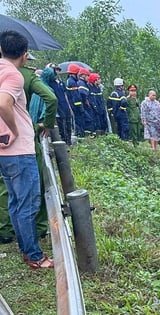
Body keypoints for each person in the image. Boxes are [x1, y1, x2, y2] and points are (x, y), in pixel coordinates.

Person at [0, 30, 53, 269]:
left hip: (6, 152)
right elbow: (3, 104)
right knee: (28, 204)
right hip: (19, 150)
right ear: (24, 54)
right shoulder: (14, 75)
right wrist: (14, 130)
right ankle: (34, 255)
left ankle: (25, 248)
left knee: (15, 202)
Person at [45, 63, 72, 145]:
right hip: (57, 104)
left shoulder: (61, 82)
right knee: (61, 123)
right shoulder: (50, 83)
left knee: (68, 122)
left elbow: (65, 95)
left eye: (58, 70)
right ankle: (64, 140)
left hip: (64, 104)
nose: (57, 71)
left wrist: (69, 107)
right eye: (55, 70)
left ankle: (69, 141)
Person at [65, 64, 85, 137]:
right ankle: (79, 134)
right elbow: (75, 96)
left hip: (75, 105)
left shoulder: (71, 81)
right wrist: (80, 106)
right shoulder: (72, 82)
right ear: (74, 73)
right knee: (78, 121)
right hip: (76, 106)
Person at [77, 67, 95, 136]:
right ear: (83, 75)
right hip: (84, 106)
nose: (88, 77)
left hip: (86, 105)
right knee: (88, 120)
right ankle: (87, 135)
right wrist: (86, 101)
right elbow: (83, 94)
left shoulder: (85, 83)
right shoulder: (81, 83)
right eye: (87, 75)